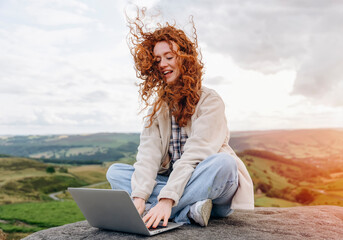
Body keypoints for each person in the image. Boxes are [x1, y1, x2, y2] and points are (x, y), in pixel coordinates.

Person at [106, 11, 254, 229]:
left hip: (208, 185)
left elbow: (195, 156)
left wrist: (167, 200)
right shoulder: (158, 108)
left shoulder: (210, 101)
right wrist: (138, 196)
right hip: (177, 184)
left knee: (225, 164)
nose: (162, 64)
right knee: (116, 172)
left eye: (169, 56)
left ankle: (160, 209)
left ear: (185, 58)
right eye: (157, 60)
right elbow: (148, 157)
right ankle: (190, 211)